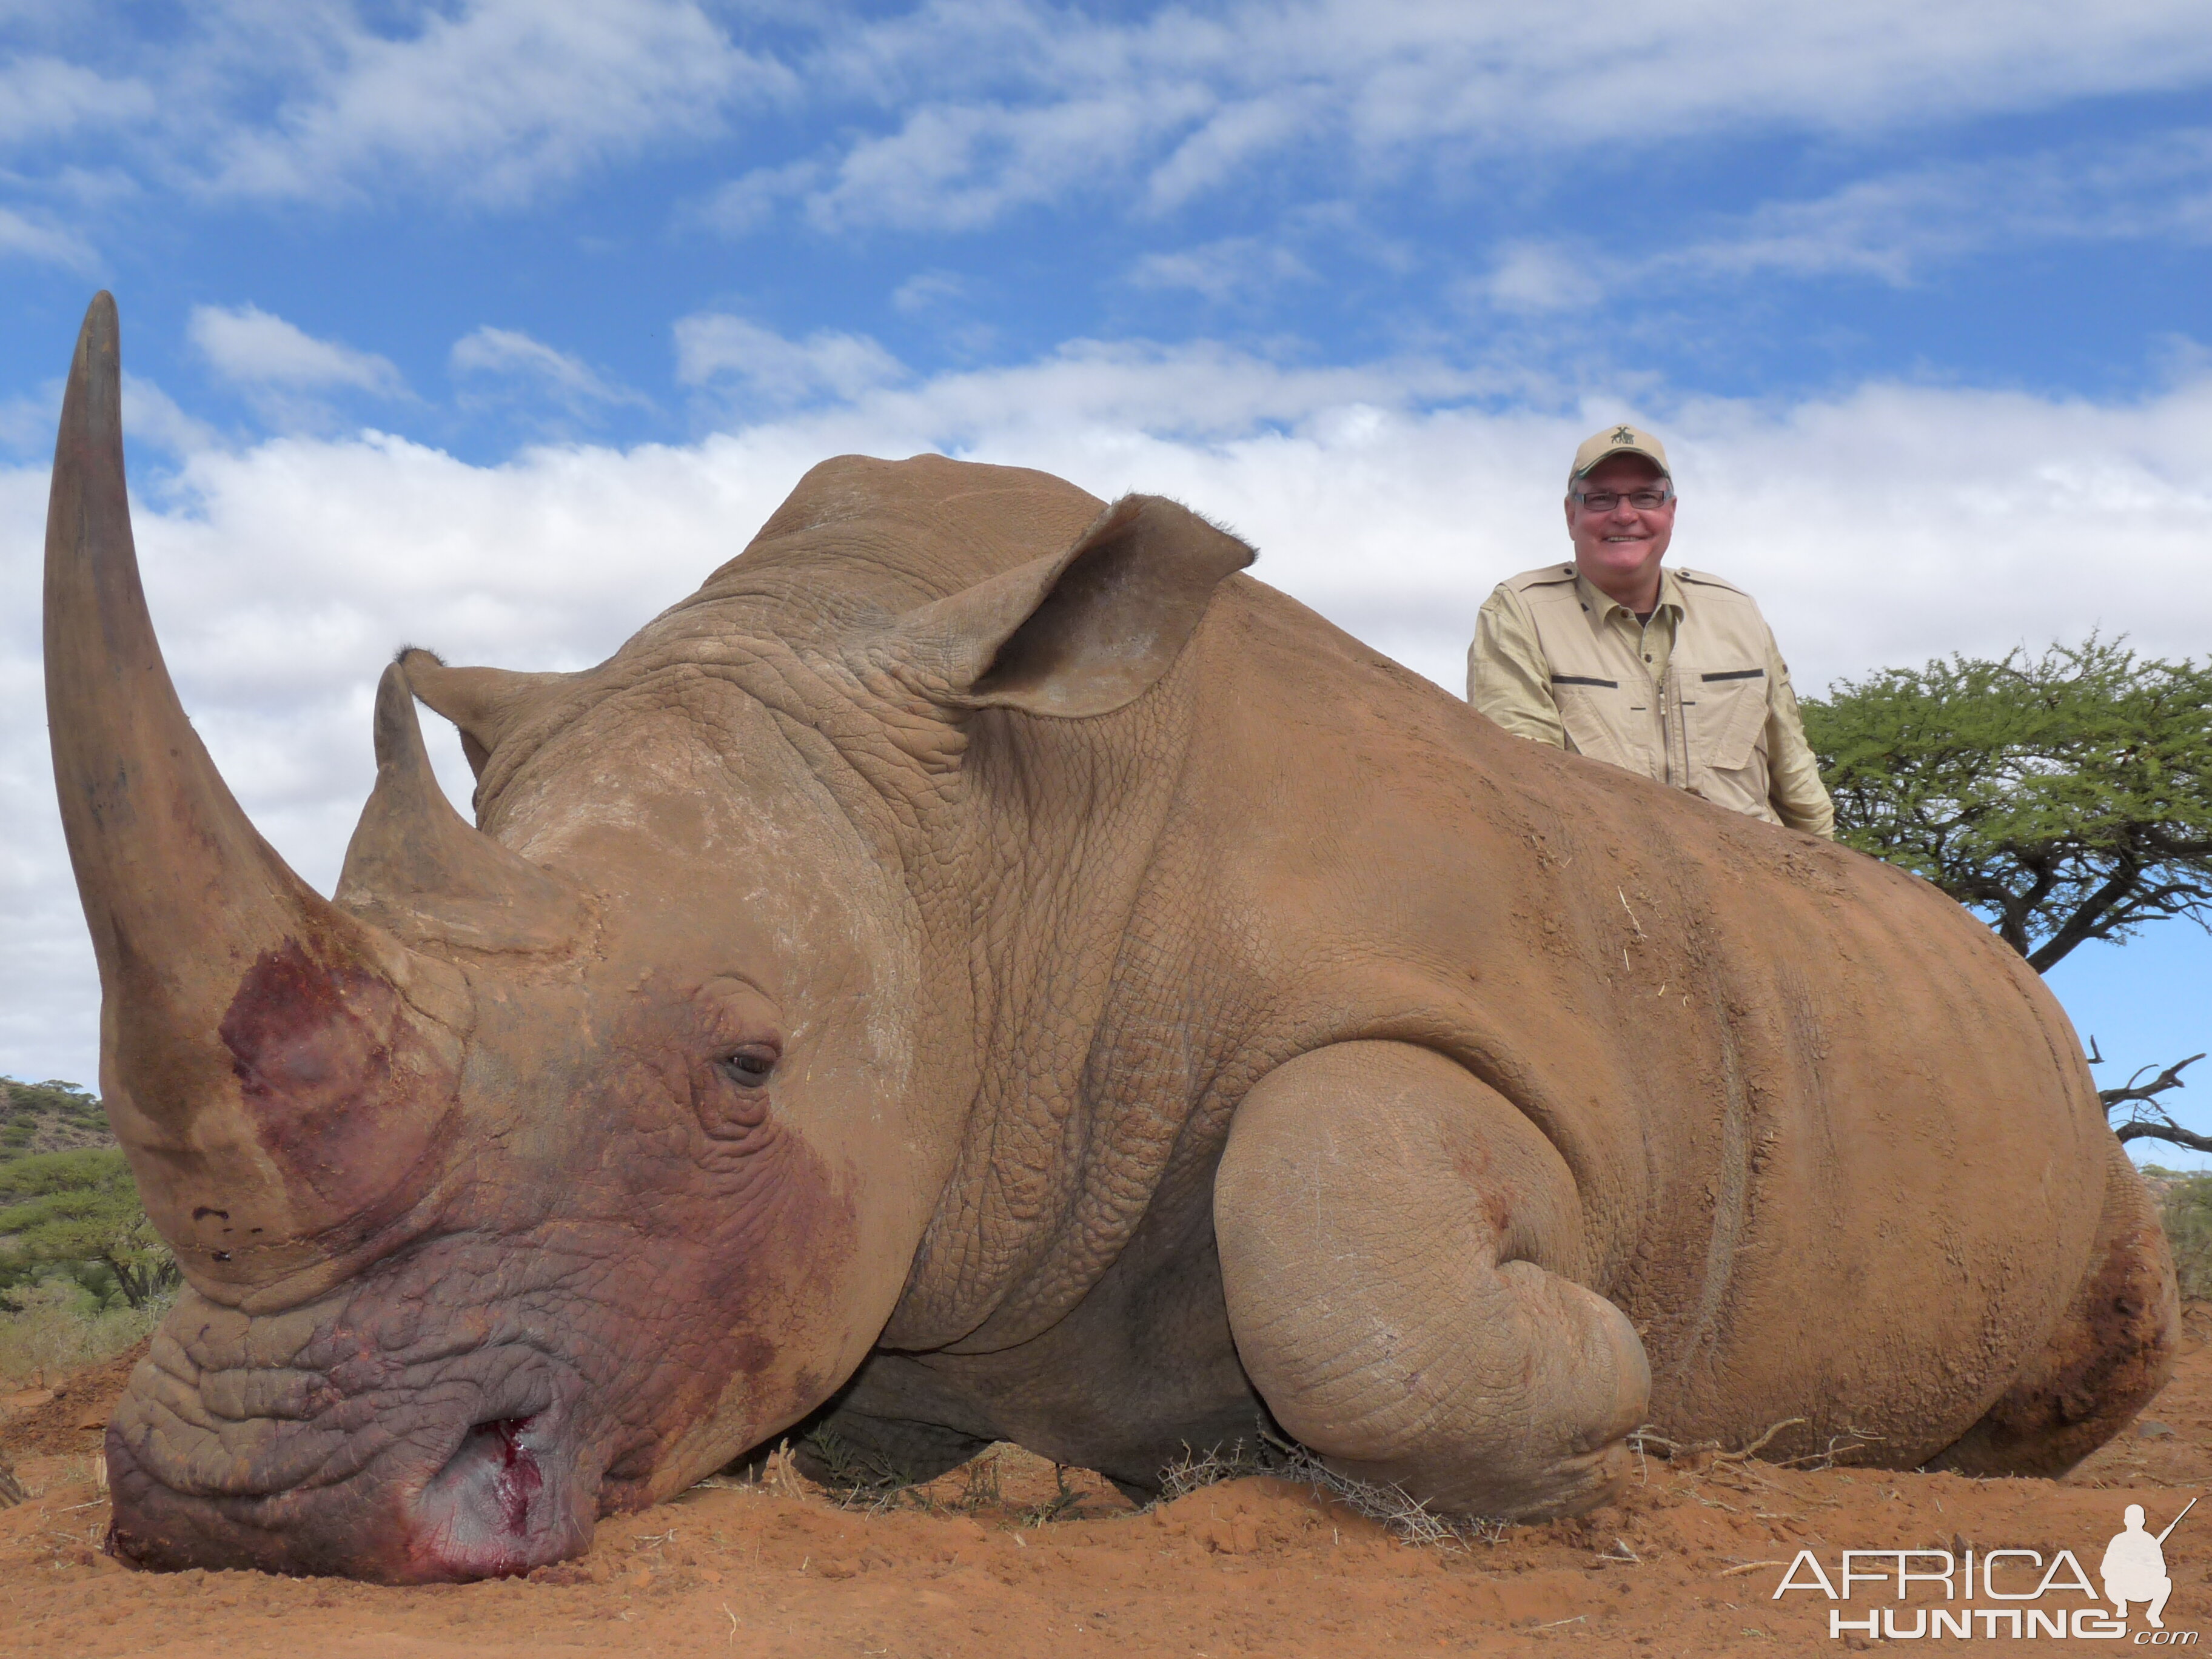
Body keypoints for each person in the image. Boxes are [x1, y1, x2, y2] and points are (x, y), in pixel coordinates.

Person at [1466, 423, 1834, 837]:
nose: (1625, 515)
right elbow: (1526, 786)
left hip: (1756, 884)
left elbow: (1798, 784)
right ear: (1572, 515)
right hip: (1607, 879)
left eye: (1645, 497)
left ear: (1671, 512)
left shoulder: (1737, 612)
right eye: (1602, 498)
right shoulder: (1519, 612)